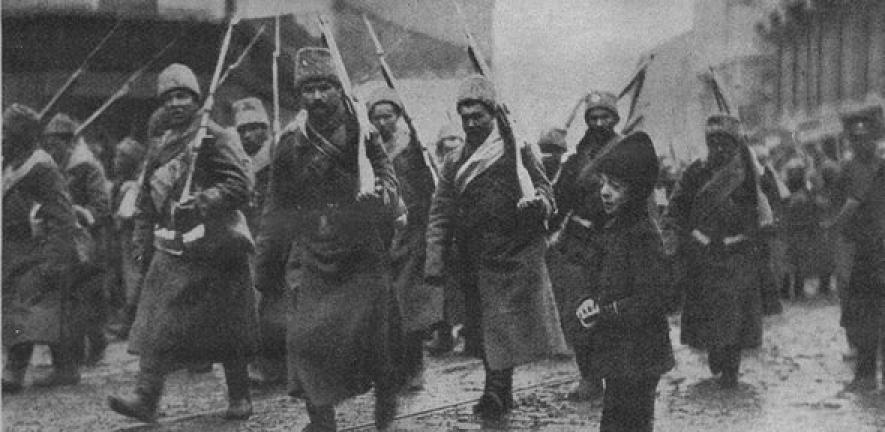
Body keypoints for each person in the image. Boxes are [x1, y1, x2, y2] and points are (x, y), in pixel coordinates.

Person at [107, 63, 258, 422]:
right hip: (174, 248)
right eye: (168, 98)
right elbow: (147, 198)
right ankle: (146, 398)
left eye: (183, 96)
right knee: (156, 325)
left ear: (196, 98)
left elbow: (240, 185)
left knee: (227, 327)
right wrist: (142, 240)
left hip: (217, 246)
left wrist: (204, 200)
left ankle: (240, 396)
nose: (175, 104)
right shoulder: (160, 143)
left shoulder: (215, 136)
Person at [269, 47, 402, 432]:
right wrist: (268, 263)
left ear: (337, 88)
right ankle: (321, 420)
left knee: (371, 339)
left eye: (324, 87)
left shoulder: (363, 130)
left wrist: (379, 196)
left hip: (361, 250)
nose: (316, 97)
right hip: (315, 250)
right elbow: (277, 205)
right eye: (308, 89)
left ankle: (386, 392)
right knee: (304, 339)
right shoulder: (291, 141)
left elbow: (386, 176)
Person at [424, 75, 568, 420]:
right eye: (466, 117)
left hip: (514, 252)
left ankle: (496, 391)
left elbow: (547, 193)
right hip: (473, 256)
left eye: (479, 116)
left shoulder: (518, 148)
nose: (472, 123)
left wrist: (540, 206)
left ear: (493, 114)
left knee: (501, 325)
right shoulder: (455, 160)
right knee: (484, 328)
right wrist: (434, 261)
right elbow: (441, 212)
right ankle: (498, 387)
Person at [573, 131, 677, 432]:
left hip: (641, 353)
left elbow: (654, 300)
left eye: (615, 187)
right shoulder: (614, 227)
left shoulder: (644, 235)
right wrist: (589, 300)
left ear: (634, 193)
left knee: (630, 423)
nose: (605, 192)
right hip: (621, 351)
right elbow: (602, 279)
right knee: (616, 423)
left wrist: (604, 314)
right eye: (603, 182)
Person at [664, 114, 772, 388]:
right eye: (714, 143)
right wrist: (683, 237)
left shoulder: (748, 175)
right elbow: (676, 208)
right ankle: (715, 353)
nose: (720, 149)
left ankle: (731, 369)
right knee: (709, 314)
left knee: (734, 315)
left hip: (737, 254)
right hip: (702, 255)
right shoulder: (695, 172)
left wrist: (743, 237)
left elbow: (761, 216)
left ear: (736, 145)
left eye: (726, 143)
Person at [2, 104, 90, 393]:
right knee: (43, 312)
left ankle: (14, 369)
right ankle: (65, 368)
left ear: (21, 135)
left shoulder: (41, 166)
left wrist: (55, 259)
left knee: (26, 310)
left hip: (40, 250)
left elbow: (63, 214)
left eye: (6, 131)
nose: (1, 136)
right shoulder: (10, 164)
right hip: (16, 249)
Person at [548, 91, 622, 401]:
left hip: (613, 244)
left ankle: (616, 376)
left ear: (614, 119)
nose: (599, 123)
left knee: (610, 313)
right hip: (578, 246)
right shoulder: (576, 160)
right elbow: (560, 200)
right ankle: (589, 377)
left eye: (605, 117)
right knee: (577, 311)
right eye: (593, 118)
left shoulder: (626, 153)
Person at [366, 87, 440, 391]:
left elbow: (426, 188)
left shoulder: (413, 148)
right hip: (379, 236)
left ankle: (414, 366)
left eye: (389, 115)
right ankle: (391, 368)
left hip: (411, 234)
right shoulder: (367, 149)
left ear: (398, 117)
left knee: (408, 304)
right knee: (384, 307)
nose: (384, 122)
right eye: (377, 116)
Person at [41, 113, 112, 366]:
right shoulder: (55, 168)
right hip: (67, 243)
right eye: (48, 144)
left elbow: (101, 207)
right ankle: (76, 352)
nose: (51, 149)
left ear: (68, 142)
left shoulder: (87, 166)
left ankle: (97, 341)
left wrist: (79, 213)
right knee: (71, 299)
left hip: (90, 243)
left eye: (55, 143)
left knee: (87, 298)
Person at [824, 114, 885, 392]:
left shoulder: (882, 168)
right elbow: (836, 206)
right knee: (861, 310)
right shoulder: (845, 171)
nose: (864, 144)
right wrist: (839, 229)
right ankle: (865, 371)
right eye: (858, 140)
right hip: (859, 249)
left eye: (868, 138)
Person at [231, 96, 286, 386]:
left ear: (266, 128)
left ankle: (278, 363)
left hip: (277, 238)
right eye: (242, 130)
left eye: (255, 128)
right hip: (249, 240)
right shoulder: (239, 162)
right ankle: (261, 362)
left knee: (276, 304)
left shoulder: (278, 154)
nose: (248, 135)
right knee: (253, 305)